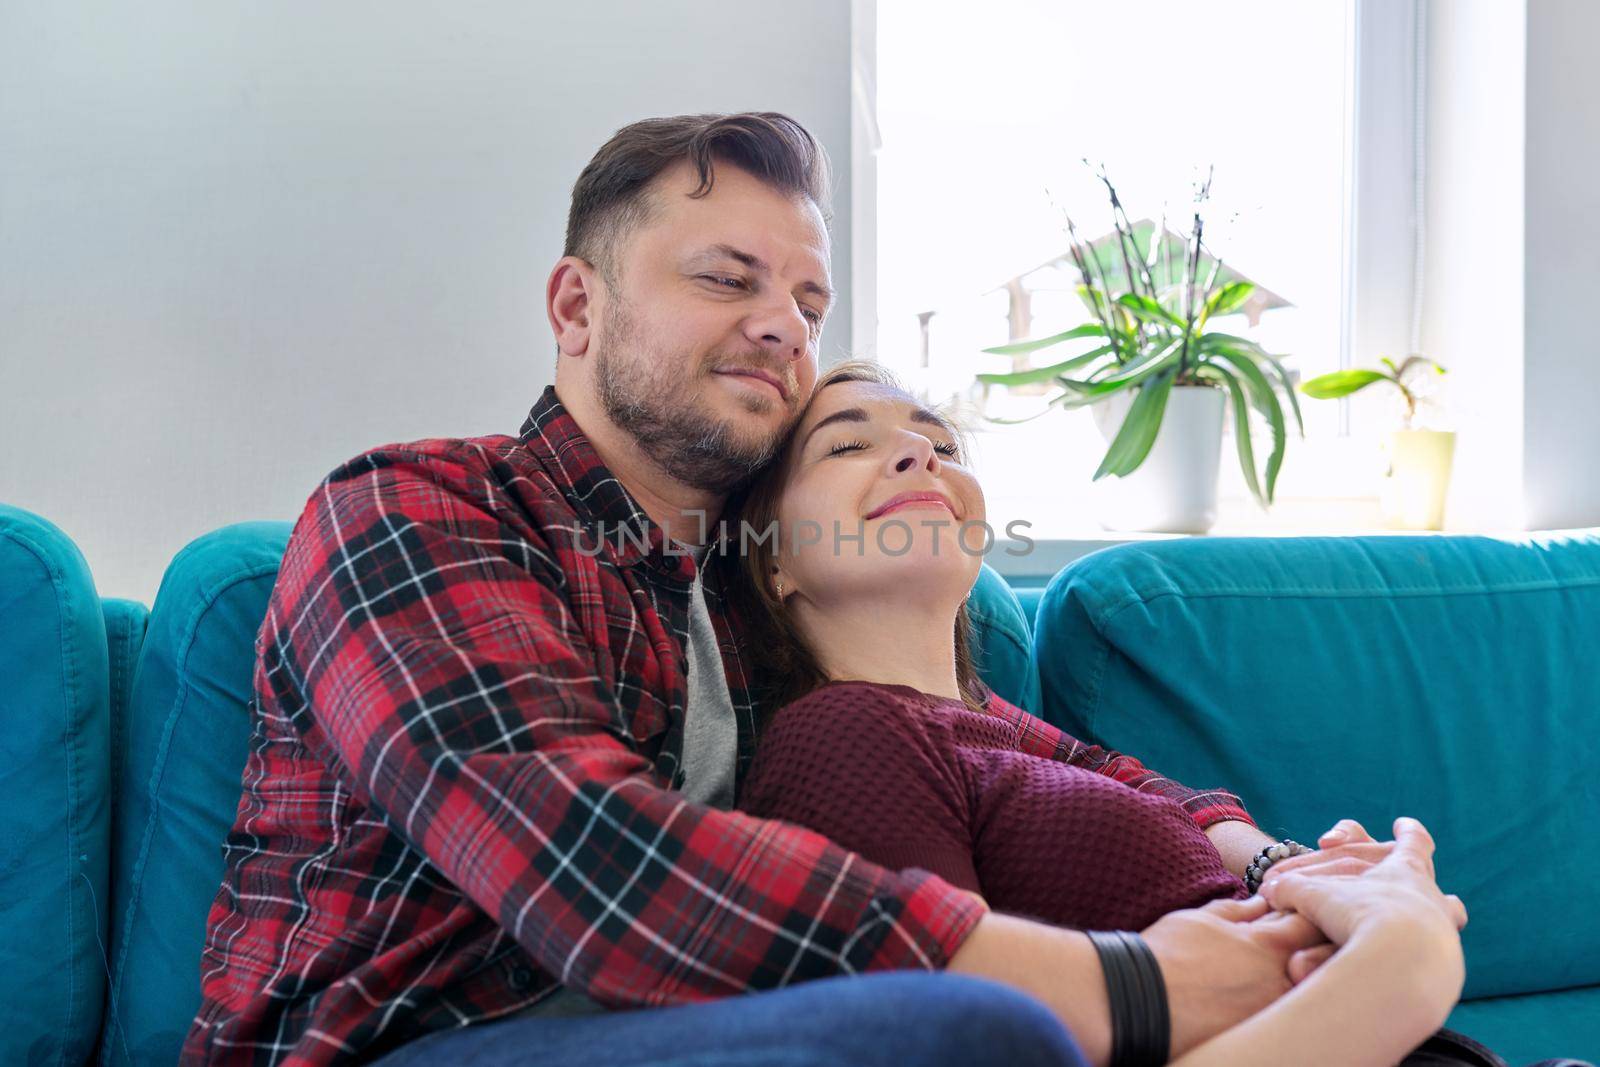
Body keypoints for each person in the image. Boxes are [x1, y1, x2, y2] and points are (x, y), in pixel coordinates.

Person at [179, 111, 1391, 1067]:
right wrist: (1129, 979)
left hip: (679, 1030)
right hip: (422, 1040)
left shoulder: (748, 596)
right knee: (973, 1026)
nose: (782, 326)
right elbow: (584, 858)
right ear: (574, 305)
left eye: (806, 302)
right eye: (726, 279)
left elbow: (1000, 736)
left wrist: (1283, 863)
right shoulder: (414, 509)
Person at [729, 362, 1482, 1065]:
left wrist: (1295, 871)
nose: (919, 455)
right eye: (848, 444)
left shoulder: (995, 730)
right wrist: (1401, 949)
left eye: (942, 444)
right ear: (773, 559)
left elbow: (1124, 776)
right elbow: (948, 1033)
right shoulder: (842, 733)